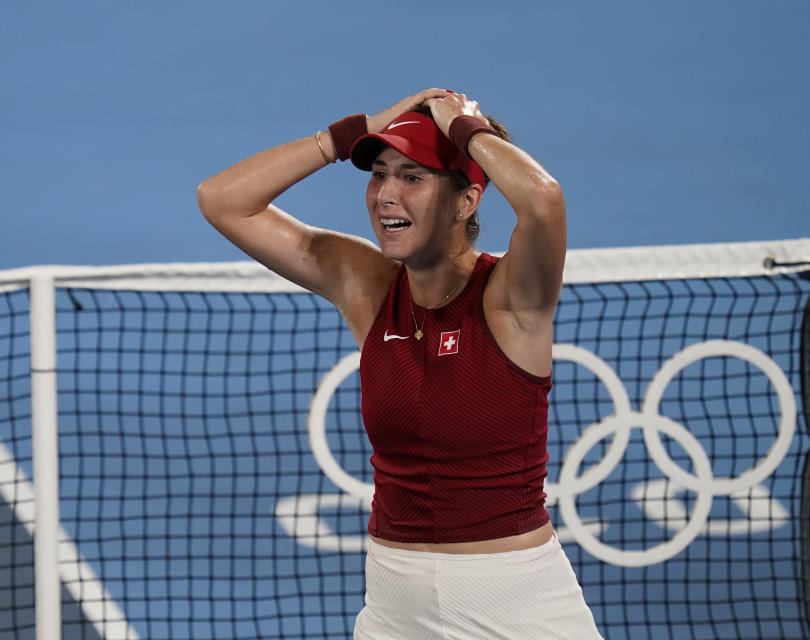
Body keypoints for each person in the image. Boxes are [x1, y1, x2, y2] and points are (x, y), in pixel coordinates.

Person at [197, 88, 603, 639]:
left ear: (467, 200)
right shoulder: (366, 286)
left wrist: (465, 129)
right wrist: (356, 130)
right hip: (393, 600)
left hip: (514, 599)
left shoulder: (512, 298)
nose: (386, 195)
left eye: (412, 177)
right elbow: (222, 199)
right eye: (379, 174)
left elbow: (543, 199)